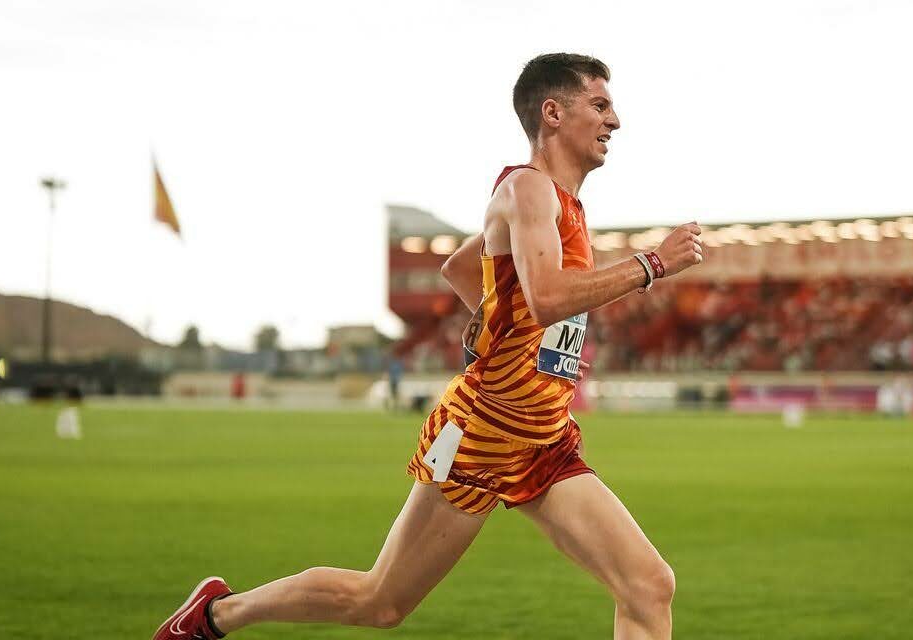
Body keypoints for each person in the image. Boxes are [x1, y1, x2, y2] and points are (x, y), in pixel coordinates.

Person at [152, 52, 704, 640]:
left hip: (543, 437)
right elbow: (545, 298)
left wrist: (494, 318)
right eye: (599, 105)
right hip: (483, 431)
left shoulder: (561, 205)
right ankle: (214, 615)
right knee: (381, 602)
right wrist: (652, 264)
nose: (614, 120)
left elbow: (460, 268)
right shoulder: (528, 189)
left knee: (649, 586)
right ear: (552, 113)